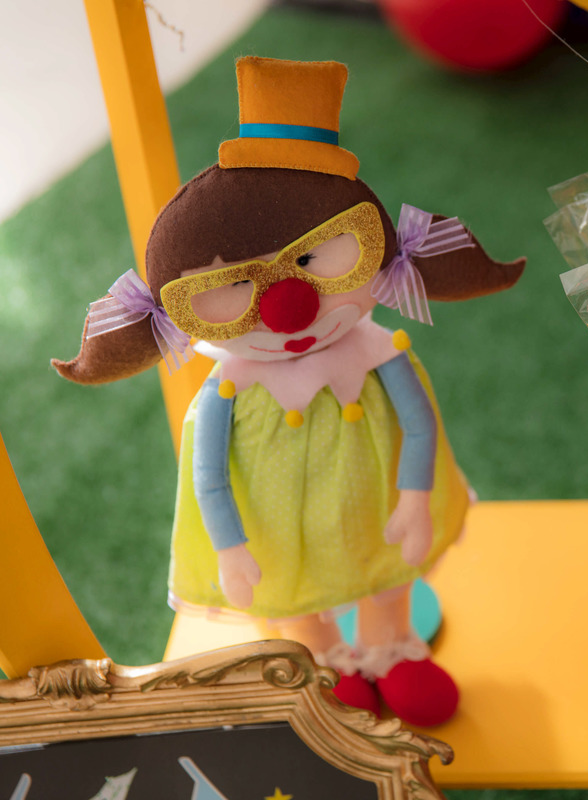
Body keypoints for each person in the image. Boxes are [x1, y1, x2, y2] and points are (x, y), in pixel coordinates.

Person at [53, 57, 523, 726]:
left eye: (313, 260)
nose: (288, 310)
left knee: (388, 570)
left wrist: (417, 499)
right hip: (281, 525)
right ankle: (327, 660)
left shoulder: (379, 352)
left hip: (378, 499)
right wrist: (231, 549)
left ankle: (389, 648)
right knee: (297, 594)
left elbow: (419, 426)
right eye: (232, 291)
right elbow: (210, 476)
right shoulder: (228, 390)